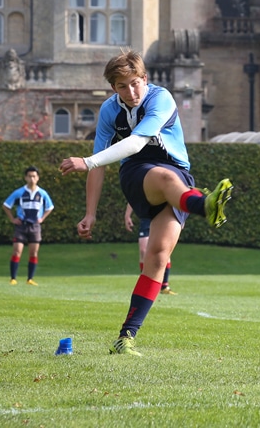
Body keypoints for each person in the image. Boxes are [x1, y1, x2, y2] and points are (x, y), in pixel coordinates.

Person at [59, 50, 233, 356]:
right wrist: (90, 213)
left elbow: (138, 138)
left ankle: (125, 337)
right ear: (113, 88)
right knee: (165, 179)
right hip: (137, 174)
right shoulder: (109, 111)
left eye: (135, 83)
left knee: (158, 256)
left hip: (178, 178)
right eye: (122, 86)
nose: (131, 91)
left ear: (145, 79)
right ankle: (206, 205)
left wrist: (86, 161)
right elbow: (107, 162)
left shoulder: (161, 98)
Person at [3, 165, 55, 286]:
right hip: (21, 225)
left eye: (34, 176)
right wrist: (12, 219)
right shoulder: (19, 192)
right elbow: (6, 205)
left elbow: (50, 207)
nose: (32, 179)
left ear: (38, 178)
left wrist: (42, 218)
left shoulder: (42, 193)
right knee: (17, 251)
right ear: (26, 178)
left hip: (35, 226)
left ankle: (30, 279)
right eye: (29, 176)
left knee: (34, 253)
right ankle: (13, 278)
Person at [125, 203, 175, 295]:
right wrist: (127, 215)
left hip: (162, 215)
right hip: (146, 217)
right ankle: (145, 285)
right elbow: (134, 194)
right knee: (143, 250)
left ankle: (164, 286)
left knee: (164, 249)